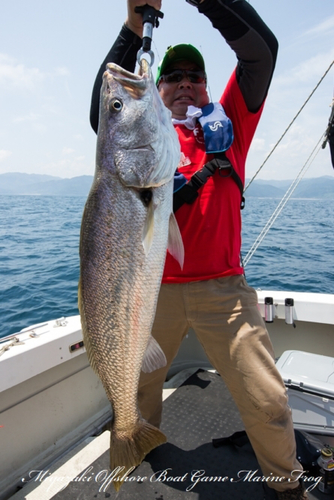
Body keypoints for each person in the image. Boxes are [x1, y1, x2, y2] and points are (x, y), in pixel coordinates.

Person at [90, 1, 308, 499]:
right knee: (138, 388)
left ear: (208, 88)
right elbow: (107, 108)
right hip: (152, 291)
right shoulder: (143, 134)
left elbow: (261, 53)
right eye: (173, 77)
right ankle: (137, 462)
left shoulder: (231, 120)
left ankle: (289, 484)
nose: (185, 82)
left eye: (195, 75)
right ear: (159, 92)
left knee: (268, 399)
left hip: (224, 292)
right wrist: (132, 27)